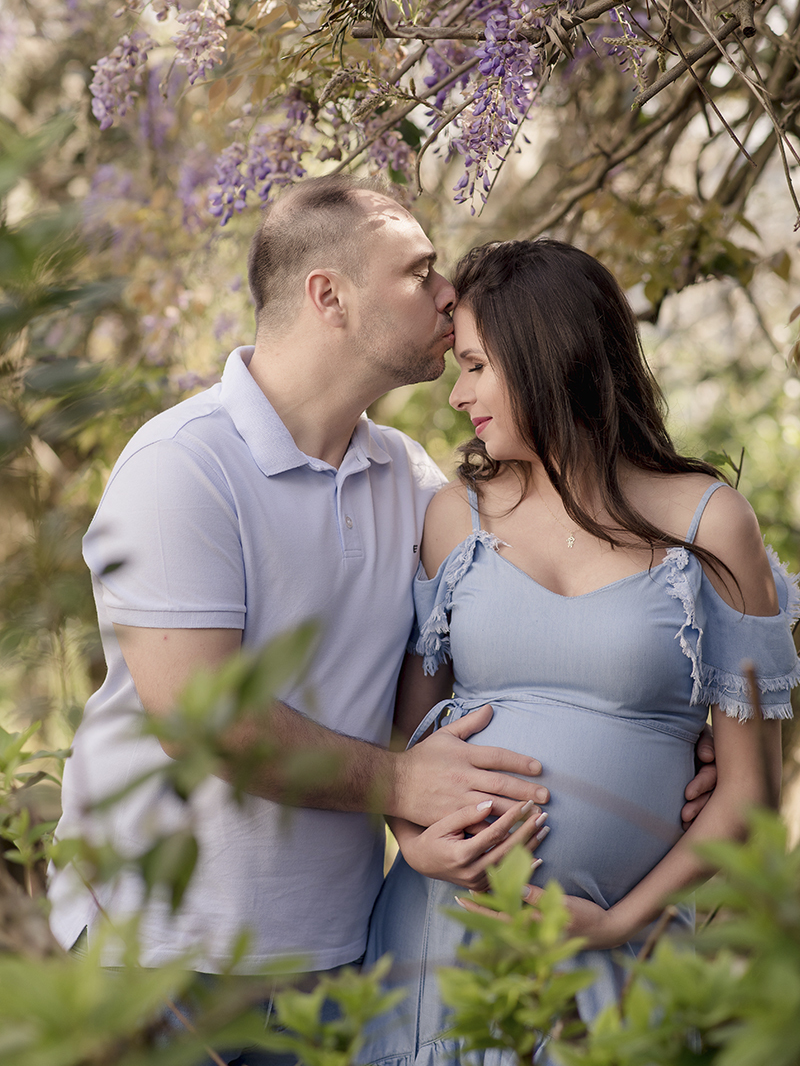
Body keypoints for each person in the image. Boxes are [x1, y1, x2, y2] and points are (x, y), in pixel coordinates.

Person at [48, 178, 555, 983]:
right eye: (418, 272)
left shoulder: (406, 476)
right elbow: (203, 719)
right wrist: (403, 784)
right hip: (155, 957)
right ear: (331, 296)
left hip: (336, 959)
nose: (447, 291)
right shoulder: (182, 466)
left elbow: (508, 624)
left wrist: (651, 731)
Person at [361, 238, 799, 1066]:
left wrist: (617, 923)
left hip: (619, 961)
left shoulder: (711, 526)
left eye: (477, 366)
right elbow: (404, 746)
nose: (457, 396)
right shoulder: (453, 521)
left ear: (546, 356)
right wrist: (411, 840)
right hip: (439, 945)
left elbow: (751, 793)